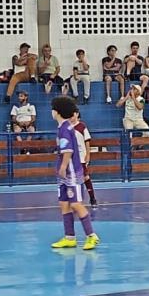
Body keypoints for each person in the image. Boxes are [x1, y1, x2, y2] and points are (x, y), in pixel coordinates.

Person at [49, 96, 100, 250]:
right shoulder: (63, 127)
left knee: (76, 203)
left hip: (70, 172)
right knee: (64, 203)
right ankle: (69, 237)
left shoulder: (65, 129)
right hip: (64, 172)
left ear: (57, 112)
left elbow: (68, 151)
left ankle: (91, 236)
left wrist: (63, 167)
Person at [72, 110, 98, 208]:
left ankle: (92, 198)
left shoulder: (82, 126)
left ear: (77, 114)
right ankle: (75, 200)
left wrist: (88, 154)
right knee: (72, 179)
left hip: (81, 157)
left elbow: (87, 142)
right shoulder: (67, 127)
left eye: (73, 113)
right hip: (71, 157)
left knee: (85, 177)